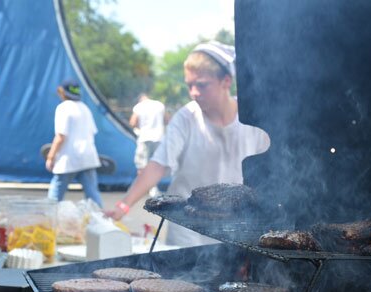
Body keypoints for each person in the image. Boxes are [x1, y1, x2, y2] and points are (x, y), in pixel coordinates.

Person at [106, 41, 271, 247]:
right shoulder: (187, 117)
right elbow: (159, 164)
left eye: (201, 85)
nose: (193, 92)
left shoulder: (251, 117)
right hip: (187, 227)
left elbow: (270, 167)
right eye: (189, 85)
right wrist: (124, 205)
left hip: (234, 226)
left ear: (226, 81)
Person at [46, 79, 103, 207]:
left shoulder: (63, 108)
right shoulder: (85, 108)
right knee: (93, 196)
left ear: (62, 92)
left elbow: (61, 136)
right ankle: (103, 222)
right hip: (88, 157)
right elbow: (92, 132)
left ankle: (48, 221)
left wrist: (50, 157)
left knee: (54, 198)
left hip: (68, 158)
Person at [129, 93, 166, 173]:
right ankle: (154, 184)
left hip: (144, 137)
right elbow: (166, 120)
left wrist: (139, 127)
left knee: (142, 165)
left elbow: (132, 122)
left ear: (140, 99)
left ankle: (144, 185)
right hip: (159, 138)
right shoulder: (159, 105)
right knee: (156, 164)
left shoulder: (139, 106)